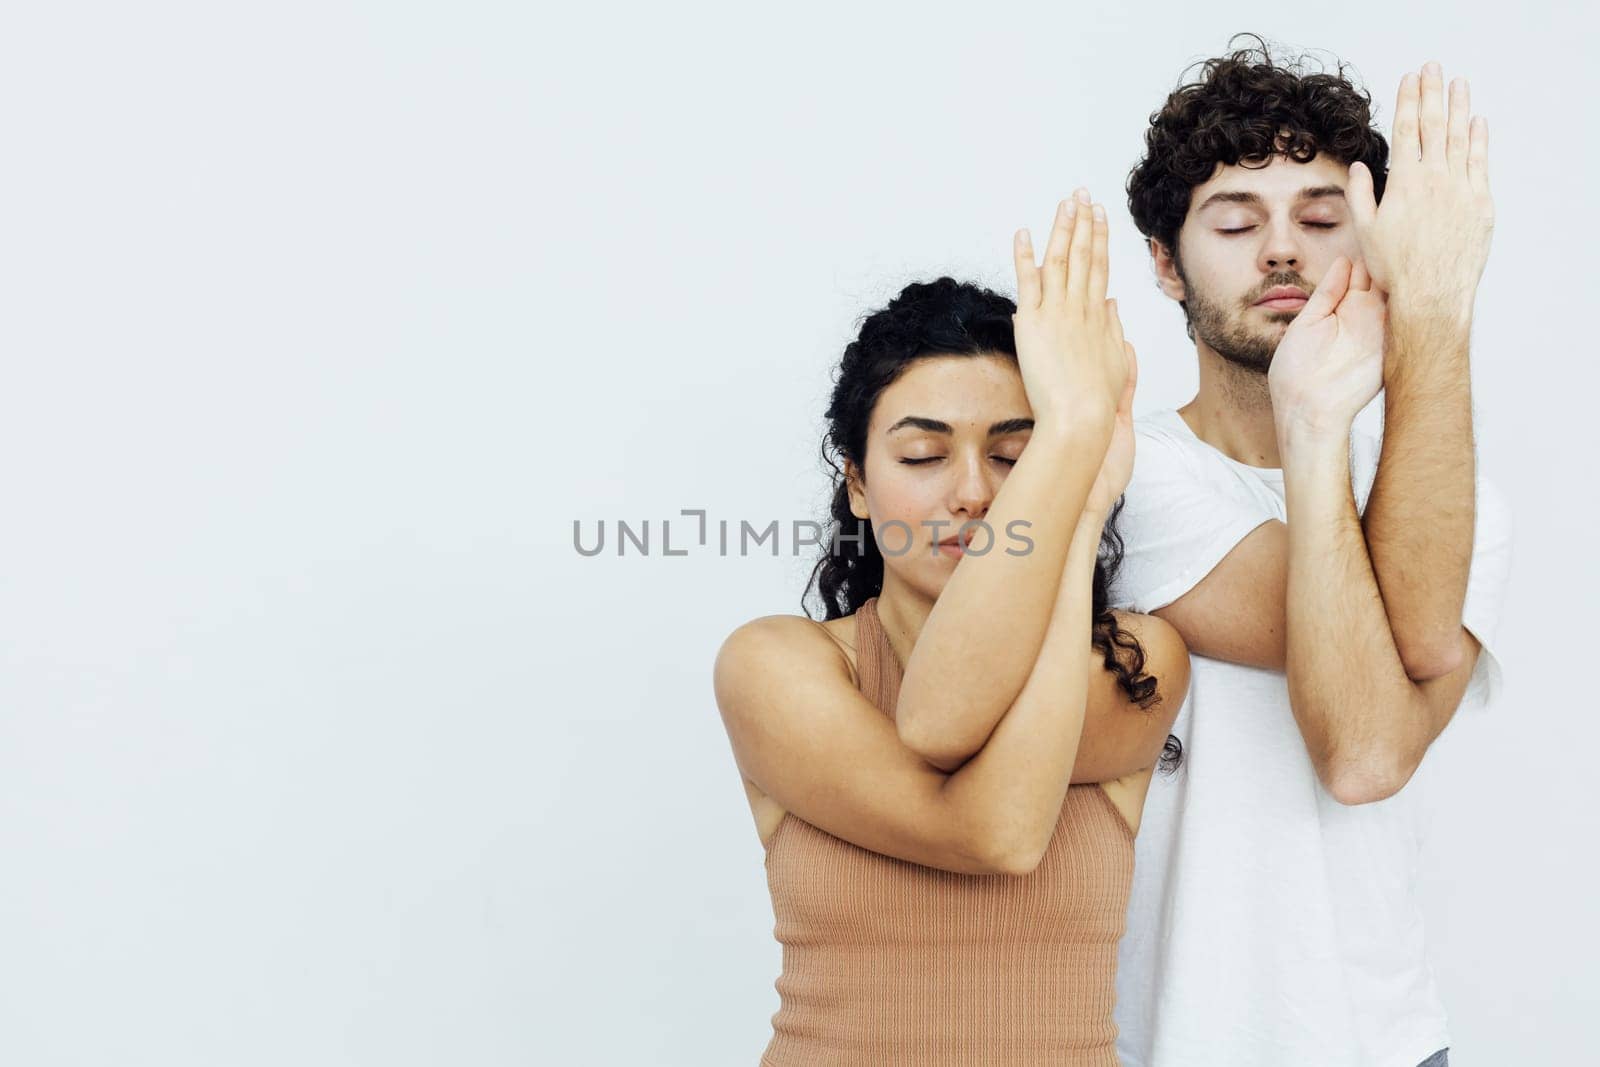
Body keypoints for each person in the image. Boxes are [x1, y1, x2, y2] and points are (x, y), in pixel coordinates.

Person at [1107, 38, 1512, 1067]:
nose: (1281, 251)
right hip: (1164, 1040)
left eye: (1322, 219)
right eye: (1235, 223)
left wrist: (1437, 310)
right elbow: (1360, 740)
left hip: (1384, 1040)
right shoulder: (1131, 474)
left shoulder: (1457, 499)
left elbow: (1374, 746)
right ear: (1163, 261)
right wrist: (1315, 425)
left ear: (1372, 245)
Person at [713, 190, 1189, 1064]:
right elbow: (991, 828)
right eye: (923, 455)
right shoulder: (774, 665)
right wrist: (1071, 457)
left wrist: (1077, 510)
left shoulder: (1134, 661)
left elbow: (962, 740)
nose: (973, 491)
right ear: (857, 483)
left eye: (1016, 454)